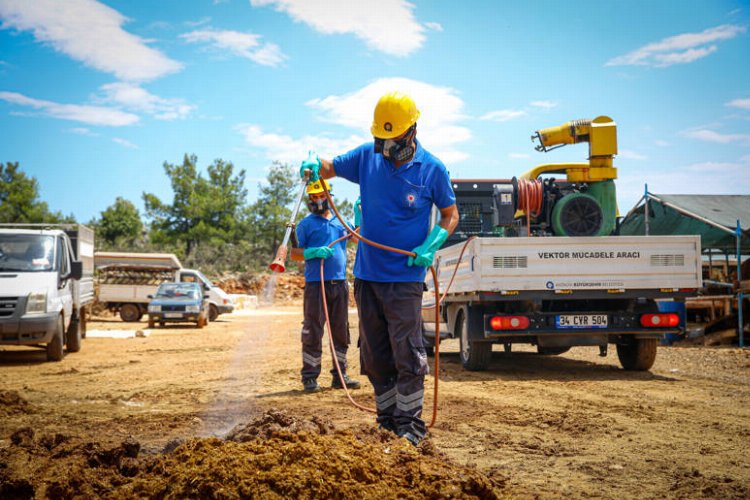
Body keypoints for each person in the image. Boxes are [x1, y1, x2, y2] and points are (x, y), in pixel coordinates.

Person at [298, 91, 459, 444]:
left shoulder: (432, 169)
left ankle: (410, 427)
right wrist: (313, 161)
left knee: (407, 353)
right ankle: (387, 421)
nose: (386, 147)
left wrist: (430, 245)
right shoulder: (366, 157)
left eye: (393, 140)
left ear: (411, 132)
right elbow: (329, 167)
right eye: (381, 139)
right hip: (367, 277)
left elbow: (450, 215)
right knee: (374, 353)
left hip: (404, 278)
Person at [290, 178, 361, 393]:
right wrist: (312, 252)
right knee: (313, 330)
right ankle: (310, 377)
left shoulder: (340, 221)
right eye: (313, 197)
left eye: (321, 196)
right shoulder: (305, 225)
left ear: (329, 196)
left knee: (340, 331)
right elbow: (294, 254)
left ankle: (340, 375)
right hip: (316, 285)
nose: (318, 200)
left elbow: (357, 238)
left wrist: (359, 215)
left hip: (339, 284)